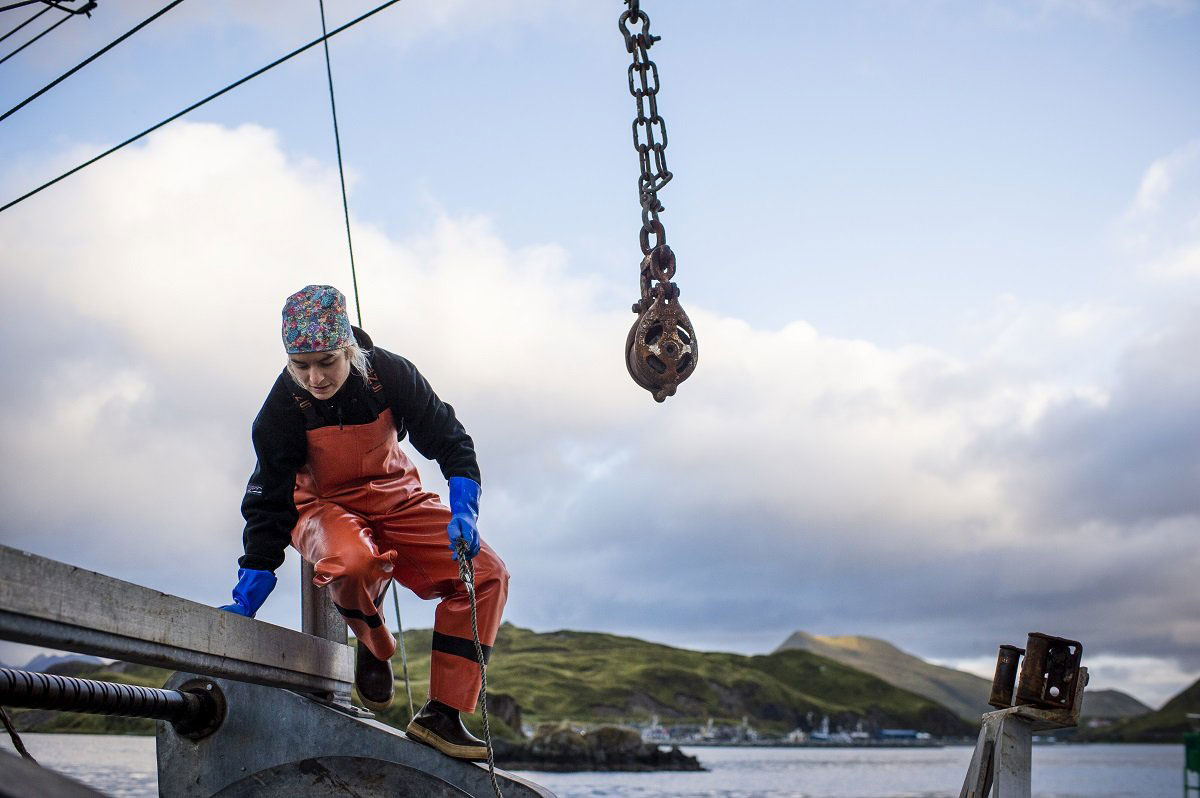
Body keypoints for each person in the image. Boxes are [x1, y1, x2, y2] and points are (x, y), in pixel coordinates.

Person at [218, 284, 509, 761]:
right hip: (320, 506)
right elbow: (268, 498)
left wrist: (464, 508)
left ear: (349, 349)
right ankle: (375, 645)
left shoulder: (391, 374)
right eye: (301, 365)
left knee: (487, 574)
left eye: (326, 361)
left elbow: (451, 439)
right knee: (352, 563)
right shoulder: (279, 410)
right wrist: (250, 585)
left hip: (396, 497)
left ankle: (443, 716)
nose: (314, 378)